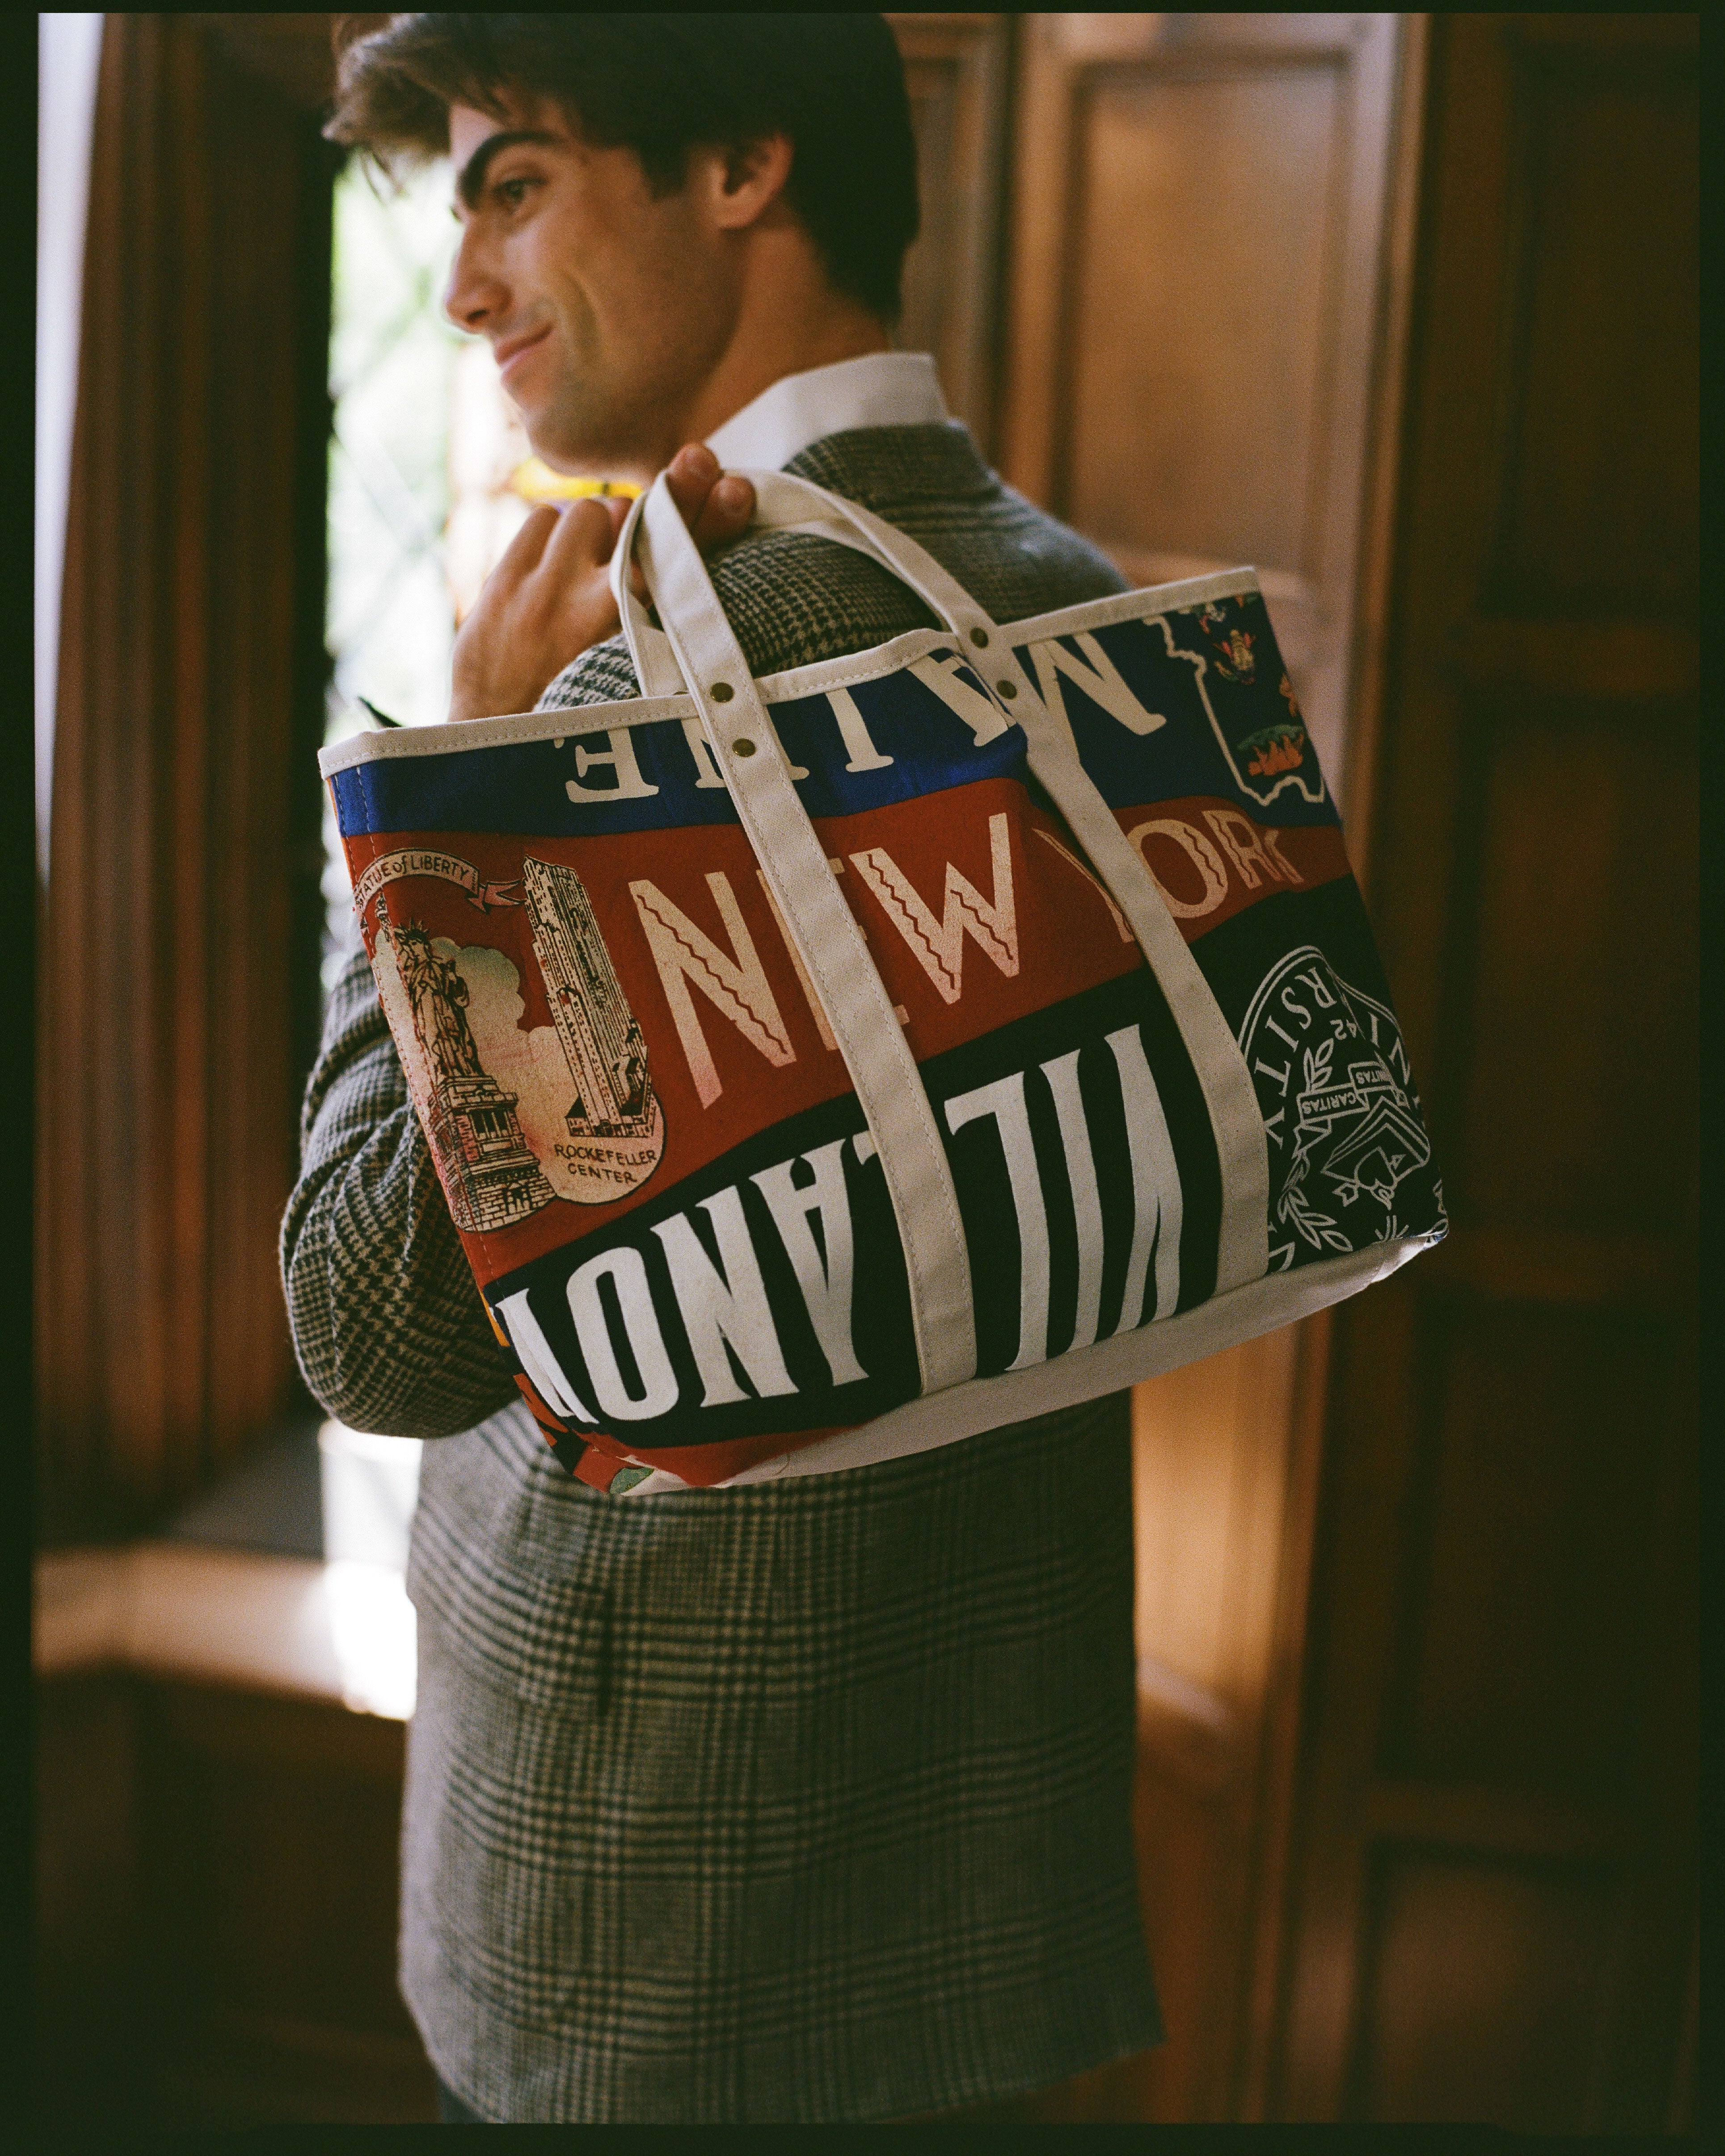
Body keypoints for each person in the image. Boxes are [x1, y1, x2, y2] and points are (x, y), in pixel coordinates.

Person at [285, 11, 1160, 2125]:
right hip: (981, 1865)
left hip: (648, 1919)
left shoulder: (649, 685)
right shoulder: (1086, 604)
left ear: (742, 164)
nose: (465, 282)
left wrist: (438, 799)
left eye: (514, 184)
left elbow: (369, 1322)